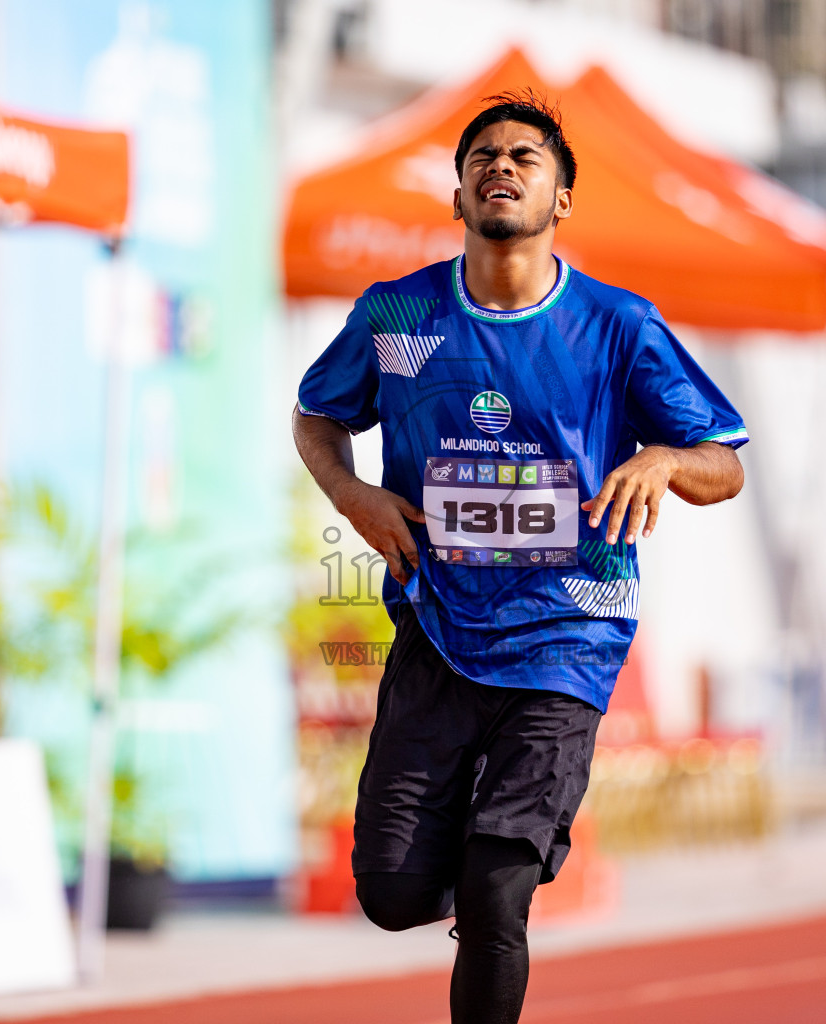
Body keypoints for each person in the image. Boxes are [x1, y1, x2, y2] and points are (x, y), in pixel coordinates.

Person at [293, 90, 747, 1023]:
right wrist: (352, 493)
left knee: (499, 898)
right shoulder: (398, 315)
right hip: (438, 625)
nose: (501, 166)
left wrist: (662, 458)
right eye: (482, 158)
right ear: (457, 195)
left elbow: (724, 467)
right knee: (391, 895)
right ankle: (477, 844)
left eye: (525, 158)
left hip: (568, 633)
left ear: (562, 198)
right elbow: (316, 414)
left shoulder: (619, 327)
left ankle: (504, 852)